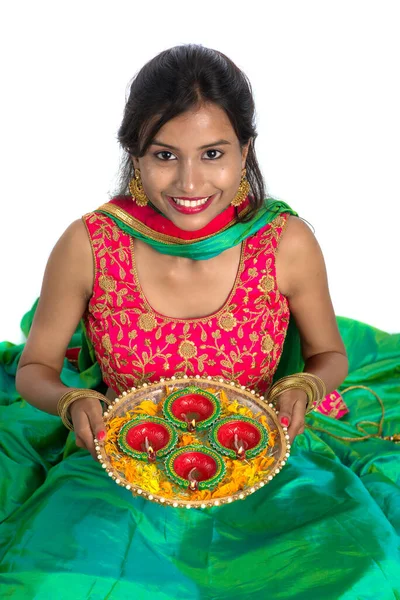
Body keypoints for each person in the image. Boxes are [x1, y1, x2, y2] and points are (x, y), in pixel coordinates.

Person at [0, 44, 399, 599]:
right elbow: (36, 367)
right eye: (165, 156)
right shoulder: (89, 245)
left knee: (368, 575)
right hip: (125, 465)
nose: (189, 183)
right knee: (45, 582)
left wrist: (306, 386)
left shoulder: (285, 242)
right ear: (135, 155)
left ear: (245, 151)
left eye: (212, 154)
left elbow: (329, 356)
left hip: (269, 462)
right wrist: (71, 402)